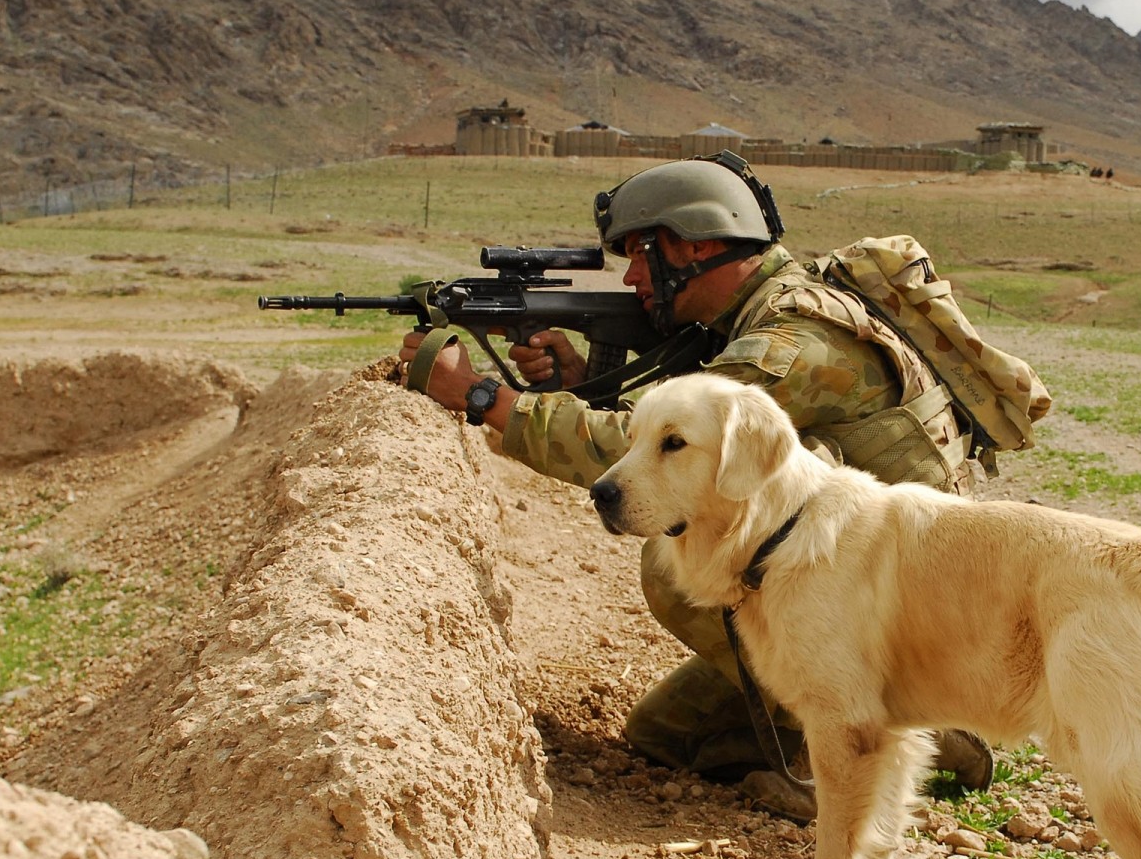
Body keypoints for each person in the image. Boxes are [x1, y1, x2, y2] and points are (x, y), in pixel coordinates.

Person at [399, 153, 993, 818]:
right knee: (666, 736)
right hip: (855, 589)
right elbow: (645, 432)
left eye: (639, 254)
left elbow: (652, 456)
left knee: (678, 552)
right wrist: (567, 383)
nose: (629, 276)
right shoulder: (751, 319)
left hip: (902, 611)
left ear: (694, 245)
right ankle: (822, 730)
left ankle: (901, 720)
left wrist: (480, 394)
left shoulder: (795, 340)